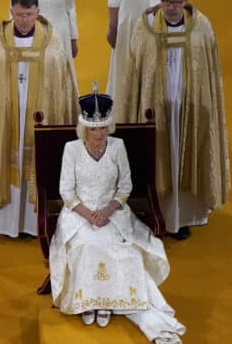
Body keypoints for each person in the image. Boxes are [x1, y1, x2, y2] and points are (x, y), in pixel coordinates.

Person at [50, 91, 185, 343]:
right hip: (79, 213)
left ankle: (107, 302)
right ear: (84, 129)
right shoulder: (72, 149)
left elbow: (125, 187)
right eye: (93, 128)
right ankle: (88, 301)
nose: (99, 134)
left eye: (103, 127)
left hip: (113, 212)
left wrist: (108, 211)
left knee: (124, 249)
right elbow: (65, 190)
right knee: (87, 246)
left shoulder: (118, 146)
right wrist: (89, 214)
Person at [115, 0, 230, 240]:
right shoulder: (144, 29)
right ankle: (155, 214)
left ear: (185, 1)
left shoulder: (201, 28)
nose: (171, 7)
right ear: (160, 0)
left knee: (185, 156)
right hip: (154, 110)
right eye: (166, 1)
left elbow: (210, 73)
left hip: (190, 109)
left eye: (177, 2)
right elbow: (134, 75)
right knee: (157, 157)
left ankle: (183, 217)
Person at [0, 0, 78, 238]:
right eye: (19, 15)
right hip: (6, 120)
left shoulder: (52, 42)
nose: (24, 21)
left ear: (38, 12)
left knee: (37, 162)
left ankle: (34, 222)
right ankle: (8, 222)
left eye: (29, 15)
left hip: (40, 116)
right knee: (9, 160)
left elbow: (62, 84)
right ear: (11, 12)